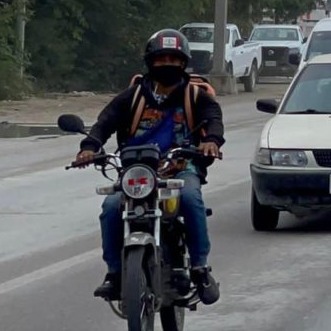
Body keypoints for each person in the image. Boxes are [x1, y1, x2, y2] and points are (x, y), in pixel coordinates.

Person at [74, 29, 224, 303]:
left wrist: (211, 141)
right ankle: (115, 274)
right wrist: (89, 147)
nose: (167, 64)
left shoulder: (196, 97)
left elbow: (213, 118)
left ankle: (200, 268)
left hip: (181, 167)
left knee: (191, 199)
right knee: (110, 208)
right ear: (149, 62)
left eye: (174, 59)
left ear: (184, 63)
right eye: (161, 58)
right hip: (137, 171)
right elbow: (105, 122)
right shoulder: (132, 96)